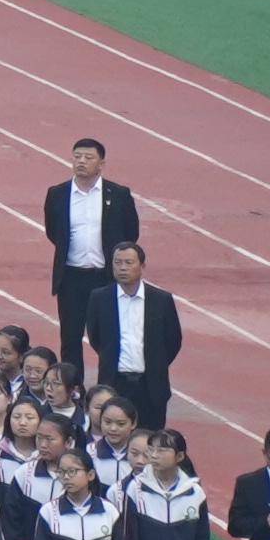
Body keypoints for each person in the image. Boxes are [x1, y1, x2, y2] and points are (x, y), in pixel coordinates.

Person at [42, 139, 139, 386]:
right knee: (71, 339)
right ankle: (73, 390)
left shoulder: (118, 195)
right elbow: (54, 232)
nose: (81, 162)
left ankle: (108, 389)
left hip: (105, 278)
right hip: (71, 278)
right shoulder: (58, 194)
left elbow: (131, 233)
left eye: (88, 157)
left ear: (101, 163)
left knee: (108, 336)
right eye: (77, 157)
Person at [95, 238, 184, 436]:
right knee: (115, 437)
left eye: (129, 262)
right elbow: (96, 338)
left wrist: (156, 363)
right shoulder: (100, 298)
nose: (123, 268)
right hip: (115, 383)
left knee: (151, 439)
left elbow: (173, 340)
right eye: (117, 263)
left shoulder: (161, 300)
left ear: (142, 266)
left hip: (150, 385)